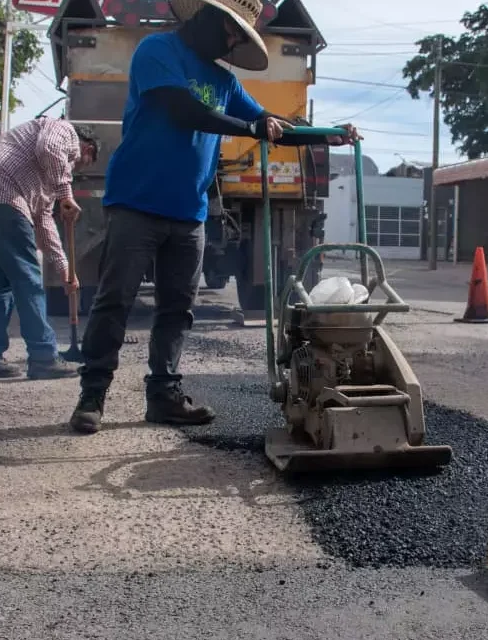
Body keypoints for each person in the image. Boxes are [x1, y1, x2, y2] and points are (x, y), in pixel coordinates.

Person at [67, 0, 358, 434]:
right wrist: (250, 129)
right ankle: (92, 396)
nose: (233, 42)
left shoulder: (223, 80)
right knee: (115, 301)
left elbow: (269, 123)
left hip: (189, 212)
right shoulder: (157, 52)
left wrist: (327, 134)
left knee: (178, 309)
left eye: (240, 35)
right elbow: (180, 110)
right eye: (231, 31)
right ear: (205, 18)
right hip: (135, 203)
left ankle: (163, 395)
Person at [0, 117, 100, 381]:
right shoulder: (63, 130)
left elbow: (43, 222)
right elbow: (51, 149)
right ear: (86, 147)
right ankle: (43, 357)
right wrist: (66, 193)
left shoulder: (42, 176)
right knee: (28, 280)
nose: (73, 169)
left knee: (1, 282)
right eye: (80, 163)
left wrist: (65, 269)